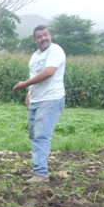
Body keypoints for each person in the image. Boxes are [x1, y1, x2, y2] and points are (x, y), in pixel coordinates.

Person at [14, 25, 66, 184]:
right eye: (40, 36)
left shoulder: (55, 50)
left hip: (50, 99)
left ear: (50, 35)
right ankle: (38, 168)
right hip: (36, 100)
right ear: (35, 40)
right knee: (34, 136)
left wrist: (24, 84)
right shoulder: (36, 55)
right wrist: (29, 95)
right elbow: (35, 75)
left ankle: (41, 174)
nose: (44, 38)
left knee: (41, 135)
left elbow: (49, 72)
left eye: (46, 35)